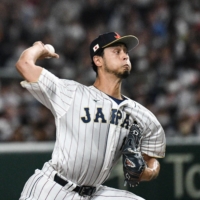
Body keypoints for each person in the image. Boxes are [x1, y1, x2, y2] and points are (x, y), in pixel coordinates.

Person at [16, 32, 166, 200]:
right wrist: (38, 48)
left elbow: (151, 161)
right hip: (52, 189)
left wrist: (145, 172)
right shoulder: (71, 92)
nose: (125, 56)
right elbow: (24, 64)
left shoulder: (142, 116)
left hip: (93, 193)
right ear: (98, 60)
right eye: (117, 52)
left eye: (126, 52)